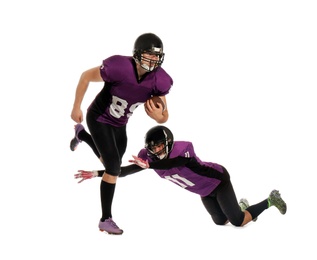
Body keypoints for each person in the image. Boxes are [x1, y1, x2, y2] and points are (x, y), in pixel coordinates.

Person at [75, 125, 287, 230]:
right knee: (220, 222)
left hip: (218, 181)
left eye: (159, 145)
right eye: (152, 147)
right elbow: (124, 171)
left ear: (167, 143)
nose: (155, 149)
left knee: (238, 222)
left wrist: (151, 165)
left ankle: (270, 199)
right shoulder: (148, 159)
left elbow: (174, 163)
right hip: (204, 191)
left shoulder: (182, 150)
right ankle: (242, 205)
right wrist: (97, 173)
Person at [70, 33, 173, 235]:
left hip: (120, 124)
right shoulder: (118, 67)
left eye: (156, 56)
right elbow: (85, 76)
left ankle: (81, 136)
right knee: (113, 168)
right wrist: (76, 107)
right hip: (99, 117)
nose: (152, 60)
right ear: (137, 54)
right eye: (148, 54)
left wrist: (158, 118)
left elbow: (165, 116)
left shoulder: (159, 80)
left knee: (112, 167)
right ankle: (105, 219)